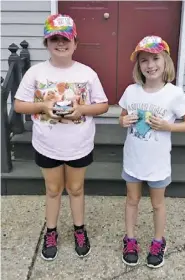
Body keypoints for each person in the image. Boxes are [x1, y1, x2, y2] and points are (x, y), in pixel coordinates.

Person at [14, 14, 108, 261]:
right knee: (53, 189)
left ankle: (79, 229)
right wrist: (43, 107)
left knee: (76, 189)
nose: (60, 43)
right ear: (46, 43)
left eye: (66, 38)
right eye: (54, 38)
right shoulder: (36, 72)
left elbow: (103, 105)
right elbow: (19, 106)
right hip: (47, 144)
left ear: (75, 43)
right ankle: (51, 231)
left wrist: (82, 110)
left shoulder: (87, 73)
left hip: (79, 144)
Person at [118, 35, 185, 268]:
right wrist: (123, 121)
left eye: (155, 58)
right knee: (132, 200)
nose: (150, 65)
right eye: (144, 60)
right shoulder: (131, 91)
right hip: (133, 159)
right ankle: (130, 239)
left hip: (158, 162)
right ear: (138, 66)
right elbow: (122, 117)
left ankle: (158, 240)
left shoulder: (174, 94)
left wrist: (169, 126)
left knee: (157, 204)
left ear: (166, 62)